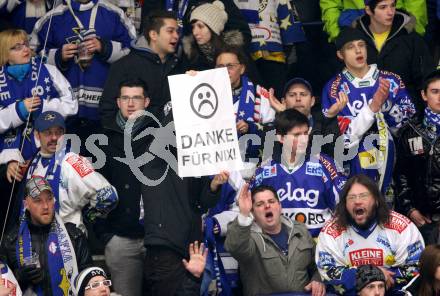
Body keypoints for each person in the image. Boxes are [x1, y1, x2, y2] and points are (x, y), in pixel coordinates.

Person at [141, 107, 229, 295]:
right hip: (164, 249)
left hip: (189, 248)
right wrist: (188, 92)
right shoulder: (155, 157)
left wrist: (214, 185)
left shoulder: (195, 162)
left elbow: (204, 203)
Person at [321, 27, 415, 201]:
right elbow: (345, 140)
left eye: (361, 45)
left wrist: (386, 114)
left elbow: (409, 130)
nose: (358, 50)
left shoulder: (391, 80)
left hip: (395, 163)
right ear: (340, 55)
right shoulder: (334, 88)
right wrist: (373, 107)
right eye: (350, 47)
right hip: (354, 169)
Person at [30, 0, 136, 145]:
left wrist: (105, 47)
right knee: (69, 165)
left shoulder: (114, 14)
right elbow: (31, 54)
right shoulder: (52, 18)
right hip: (65, 114)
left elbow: (132, 50)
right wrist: (58, 56)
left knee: (101, 165)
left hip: (105, 112)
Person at [8, 111, 118, 233]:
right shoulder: (34, 160)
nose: (54, 137)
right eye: (48, 133)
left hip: (67, 244)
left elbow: (109, 195)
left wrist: (88, 217)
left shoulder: (72, 160)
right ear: (37, 135)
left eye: (58, 132)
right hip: (35, 241)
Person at [316, 174, 425, 295]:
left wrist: (380, 280)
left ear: (377, 201)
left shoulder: (402, 227)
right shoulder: (331, 232)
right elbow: (328, 272)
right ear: (344, 204)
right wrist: (372, 274)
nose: (357, 201)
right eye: (351, 197)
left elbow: (416, 267)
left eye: (363, 196)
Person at [94, 78, 152, 296]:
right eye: (125, 98)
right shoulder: (103, 138)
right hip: (119, 238)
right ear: (118, 102)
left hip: (156, 237)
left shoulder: (159, 136)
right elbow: (93, 190)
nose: (130, 103)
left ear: (146, 101)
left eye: (136, 97)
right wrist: (104, 234)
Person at [251, 109, 346, 238]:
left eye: (305, 133)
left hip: (319, 244)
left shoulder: (324, 164)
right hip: (278, 247)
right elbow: (251, 210)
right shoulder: (265, 170)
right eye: (296, 135)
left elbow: (343, 207)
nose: (303, 139)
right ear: (280, 137)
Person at [224, 183, 325, 295]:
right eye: (259, 204)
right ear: (252, 212)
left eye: (271, 201)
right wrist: (243, 214)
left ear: (280, 206)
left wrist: (317, 280)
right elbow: (235, 247)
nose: (267, 206)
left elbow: (317, 265)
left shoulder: (300, 230)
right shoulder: (247, 237)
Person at [1, 176, 92, 295]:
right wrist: (19, 276)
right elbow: (2, 286)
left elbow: (89, 280)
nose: (45, 206)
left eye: (49, 199)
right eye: (38, 200)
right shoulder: (10, 240)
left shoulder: (74, 235)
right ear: (26, 204)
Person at [0, 28, 77, 167]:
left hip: (49, 149)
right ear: (5, 54)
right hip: (7, 157)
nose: (25, 49)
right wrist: (19, 110)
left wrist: (44, 107)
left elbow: (72, 105)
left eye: (25, 44)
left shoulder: (49, 70)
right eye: (17, 47)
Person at [100, 10, 181, 128]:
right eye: (170, 31)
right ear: (153, 35)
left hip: (169, 144)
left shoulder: (179, 66)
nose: (176, 36)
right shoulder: (124, 66)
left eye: (177, 31)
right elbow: (108, 111)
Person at [353, 0, 435, 113]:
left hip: (408, 117)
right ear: (368, 10)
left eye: (393, 5)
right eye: (383, 7)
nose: (390, 12)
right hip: (365, 116)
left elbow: (426, 81)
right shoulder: (353, 40)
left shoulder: (412, 39)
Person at [394, 69, 440, 244]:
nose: (439, 97)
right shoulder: (408, 131)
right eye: (434, 92)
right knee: (427, 269)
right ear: (424, 95)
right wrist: (410, 209)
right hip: (421, 219)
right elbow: (400, 174)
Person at [233, 0, 306, 98]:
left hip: (273, 55)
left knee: (276, 98)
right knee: (247, 98)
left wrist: (289, 52)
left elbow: (290, 27)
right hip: (242, 56)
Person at [268, 77, 341, 157]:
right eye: (292, 95)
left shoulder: (327, 121)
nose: (298, 99)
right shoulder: (274, 126)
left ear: (312, 101)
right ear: (283, 102)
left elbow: (335, 153)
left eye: (303, 94)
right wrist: (284, 118)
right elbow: (275, 155)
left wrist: (329, 118)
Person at [320, 0, 427, 41]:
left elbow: (416, 5)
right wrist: (339, 37)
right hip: (354, 39)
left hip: (397, 37)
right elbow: (330, 5)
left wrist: (412, 37)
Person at [182, 1, 245, 71]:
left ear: (213, 29)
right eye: (193, 27)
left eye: (200, 26)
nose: (195, 32)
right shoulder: (191, 55)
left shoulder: (234, 53)